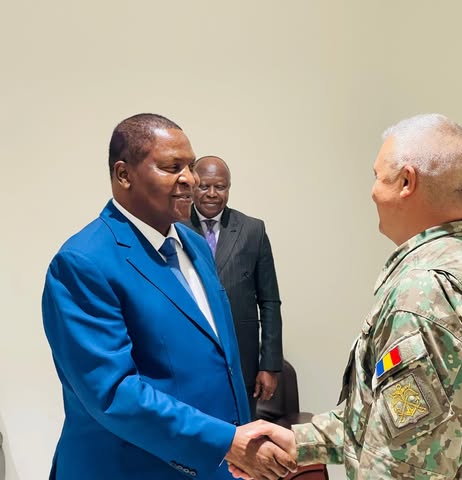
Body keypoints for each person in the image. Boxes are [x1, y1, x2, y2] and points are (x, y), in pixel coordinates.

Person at [237, 113, 462, 479]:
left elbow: (406, 463)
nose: (373, 192)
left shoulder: (424, 293)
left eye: (377, 176)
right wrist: (300, 440)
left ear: (407, 181)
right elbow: (392, 418)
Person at [42, 113, 295, 480]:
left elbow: (220, 358)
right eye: (172, 167)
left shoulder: (193, 244)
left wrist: (241, 445)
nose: (190, 179)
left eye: (190, 166)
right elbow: (113, 393)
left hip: (216, 464)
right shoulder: (82, 262)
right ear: (124, 175)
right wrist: (225, 442)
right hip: (132, 469)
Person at [184, 155, 283, 418]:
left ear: (229, 187)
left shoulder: (252, 230)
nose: (212, 194)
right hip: (189, 357)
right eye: (204, 186)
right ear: (192, 186)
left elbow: (270, 301)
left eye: (220, 186)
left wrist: (269, 365)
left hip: (242, 360)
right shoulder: (174, 227)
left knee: (242, 432)